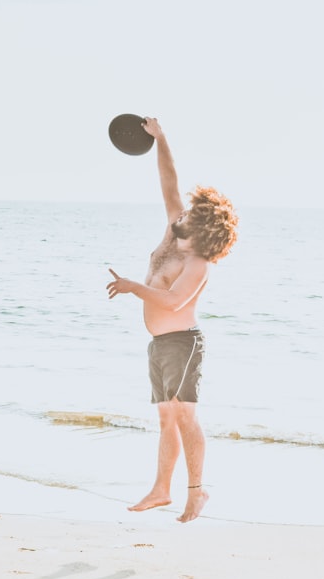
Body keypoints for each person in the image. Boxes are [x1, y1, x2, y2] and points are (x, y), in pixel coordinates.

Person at [106, 117, 239, 523]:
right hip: (161, 345)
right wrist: (161, 140)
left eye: (193, 213)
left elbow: (173, 301)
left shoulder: (197, 263)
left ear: (205, 228)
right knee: (166, 418)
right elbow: (168, 179)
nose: (183, 212)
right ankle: (161, 490)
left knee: (185, 416)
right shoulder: (172, 233)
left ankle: (197, 493)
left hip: (183, 343)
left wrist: (133, 288)